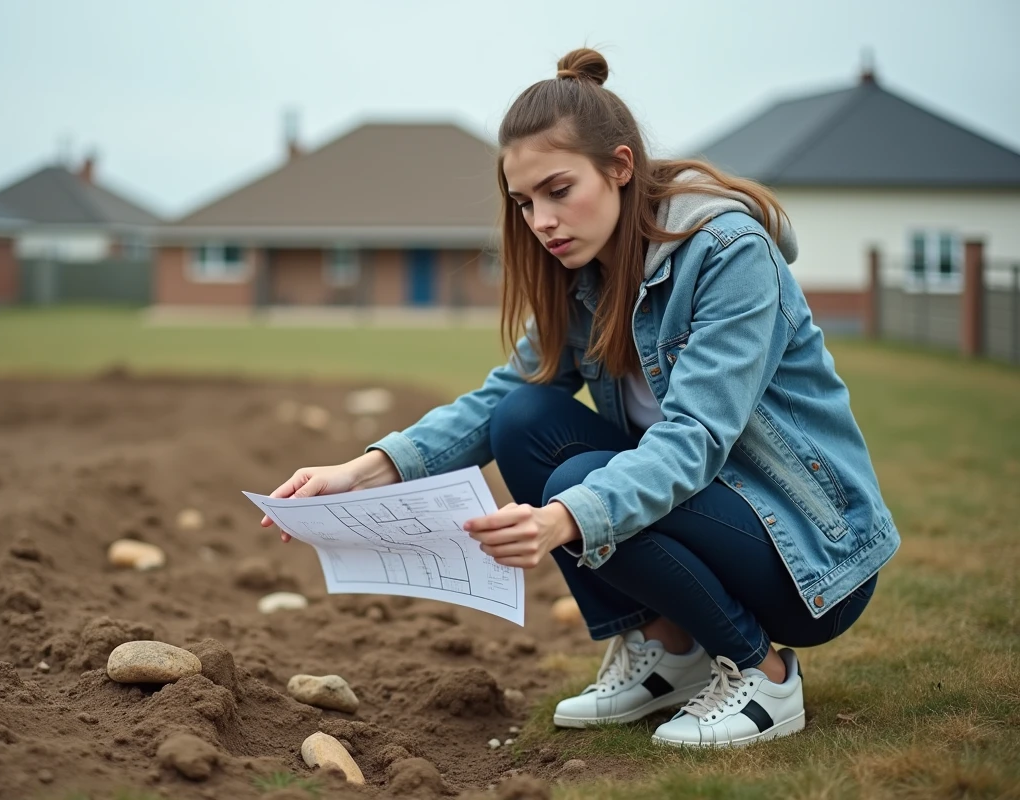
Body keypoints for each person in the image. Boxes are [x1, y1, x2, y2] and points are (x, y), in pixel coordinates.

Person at [259, 48, 898, 748]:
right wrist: (359, 473)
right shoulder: (584, 270)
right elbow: (507, 393)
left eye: (558, 190)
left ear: (620, 167)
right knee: (524, 418)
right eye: (525, 202)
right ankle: (670, 652)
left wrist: (568, 516)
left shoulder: (729, 253)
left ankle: (764, 674)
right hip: (710, 517)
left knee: (577, 484)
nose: (541, 220)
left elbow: (695, 437)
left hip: (808, 554)